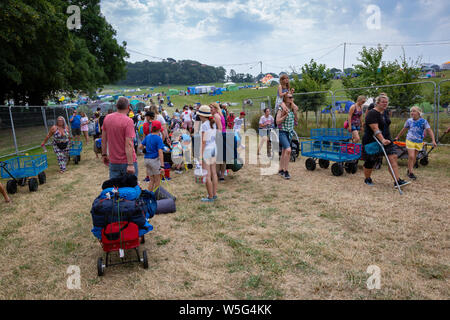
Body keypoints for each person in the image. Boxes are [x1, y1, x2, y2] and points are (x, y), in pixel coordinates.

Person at [362, 95, 410, 188]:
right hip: (372, 140)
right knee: (371, 161)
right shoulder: (372, 113)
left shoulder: (385, 112)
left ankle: (397, 181)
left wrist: (386, 139)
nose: (385, 104)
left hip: (387, 139)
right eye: (383, 102)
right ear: (377, 103)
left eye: (386, 102)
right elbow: (375, 129)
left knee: (393, 157)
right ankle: (367, 178)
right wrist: (382, 139)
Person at [394, 106, 436, 180]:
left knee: (414, 158)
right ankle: (411, 173)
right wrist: (397, 137)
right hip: (410, 140)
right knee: (411, 156)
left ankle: (409, 170)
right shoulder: (409, 121)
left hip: (419, 141)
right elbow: (404, 129)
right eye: (411, 111)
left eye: (414, 111)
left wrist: (433, 140)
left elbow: (429, 130)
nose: (412, 113)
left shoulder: (424, 121)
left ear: (419, 113)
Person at [101, 97, 138, 179]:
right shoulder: (128, 121)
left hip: (113, 161)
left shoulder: (107, 118)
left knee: (115, 189)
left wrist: (104, 154)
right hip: (126, 162)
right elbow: (128, 144)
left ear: (116, 106)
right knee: (130, 189)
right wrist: (131, 164)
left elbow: (103, 139)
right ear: (128, 107)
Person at [198, 105, 218, 202]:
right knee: (214, 173)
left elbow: (203, 142)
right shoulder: (212, 123)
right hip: (214, 148)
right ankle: (214, 194)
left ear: (201, 115)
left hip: (207, 150)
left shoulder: (204, 125)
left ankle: (210, 196)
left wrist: (200, 157)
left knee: (207, 174)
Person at [276, 94, 298, 179]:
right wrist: (285, 115)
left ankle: (280, 170)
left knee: (284, 151)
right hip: (282, 132)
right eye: (289, 97)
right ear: (285, 98)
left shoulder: (293, 109)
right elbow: (277, 122)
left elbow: (296, 120)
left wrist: (295, 113)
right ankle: (286, 171)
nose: (291, 98)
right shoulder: (281, 109)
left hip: (289, 133)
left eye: (292, 97)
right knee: (288, 150)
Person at [139, 120, 165, 192]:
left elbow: (140, 146)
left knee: (151, 180)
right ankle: (156, 197)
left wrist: (144, 149)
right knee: (157, 180)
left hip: (147, 160)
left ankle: (149, 196)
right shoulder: (158, 138)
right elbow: (160, 152)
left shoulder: (148, 136)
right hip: (154, 160)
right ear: (159, 129)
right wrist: (162, 166)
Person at [210, 103, 226, 181]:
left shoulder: (216, 115)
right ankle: (222, 175)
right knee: (222, 157)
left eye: (211, 108)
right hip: (223, 135)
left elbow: (219, 128)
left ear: (216, 109)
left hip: (219, 137)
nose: (210, 110)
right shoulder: (220, 114)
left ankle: (218, 174)